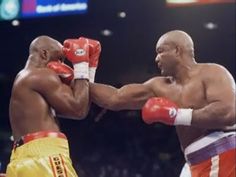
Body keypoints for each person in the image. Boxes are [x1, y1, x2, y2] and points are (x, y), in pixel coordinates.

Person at [90, 30, 236, 177]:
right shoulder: (159, 86)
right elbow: (115, 98)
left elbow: (228, 112)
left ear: (177, 50)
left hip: (222, 154)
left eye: (160, 51)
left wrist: (176, 115)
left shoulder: (212, 72)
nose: (156, 59)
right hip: (193, 162)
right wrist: (80, 75)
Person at [6, 35, 101, 176]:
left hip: (20, 160)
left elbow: (81, 104)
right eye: (59, 58)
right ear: (44, 54)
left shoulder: (23, 78)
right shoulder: (42, 75)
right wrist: (81, 64)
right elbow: (78, 109)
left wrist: (88, 72)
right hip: (45, 156)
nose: (61, 64)